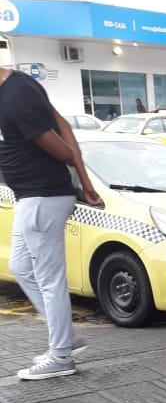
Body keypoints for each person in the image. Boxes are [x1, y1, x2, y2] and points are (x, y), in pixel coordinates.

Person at [0, 66, 102, 379]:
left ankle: (61, 357)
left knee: (49, 279)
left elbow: (63, 150)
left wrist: (83, 178)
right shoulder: (19, 85)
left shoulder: (16, 96)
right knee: (21, 267)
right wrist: (85, 182)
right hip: (30, 197)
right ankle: (66, 339)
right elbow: (65, 127)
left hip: (42, 197)